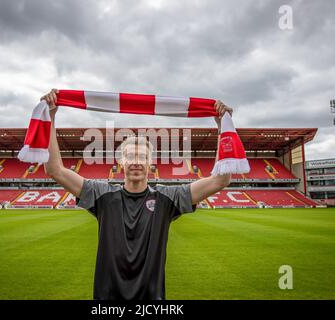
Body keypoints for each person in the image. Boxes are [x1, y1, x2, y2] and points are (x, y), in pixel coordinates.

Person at [41, 89, 233, 300]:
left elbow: (221, 180)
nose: (136, 161)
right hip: (107, 300)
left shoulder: (167, 198)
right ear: (121, 163)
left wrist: (222, 126)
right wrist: (50, 115)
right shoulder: (101, 194)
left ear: (151, 164)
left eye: (142, 157)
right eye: (130, 156)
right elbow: (55, 170)